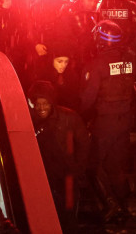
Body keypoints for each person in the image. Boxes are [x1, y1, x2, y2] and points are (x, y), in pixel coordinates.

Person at [81, 20, 136, 222]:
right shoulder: (129, 60)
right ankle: (124, 204)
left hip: (105, 122)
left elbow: (88, 98)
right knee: (116, 165)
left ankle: (110, 204)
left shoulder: (96, 65)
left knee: (92, 165)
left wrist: (77, 113)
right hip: (125, 120)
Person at [28, 81, 89, 229]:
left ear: (52, 102)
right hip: (43, 178)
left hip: (66, 177)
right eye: (38, 104)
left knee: (68, 219)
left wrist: (77, 169)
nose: (41, 108)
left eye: (45, 103)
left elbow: (84, 144)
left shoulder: (69, 117)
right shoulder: (28, 121)